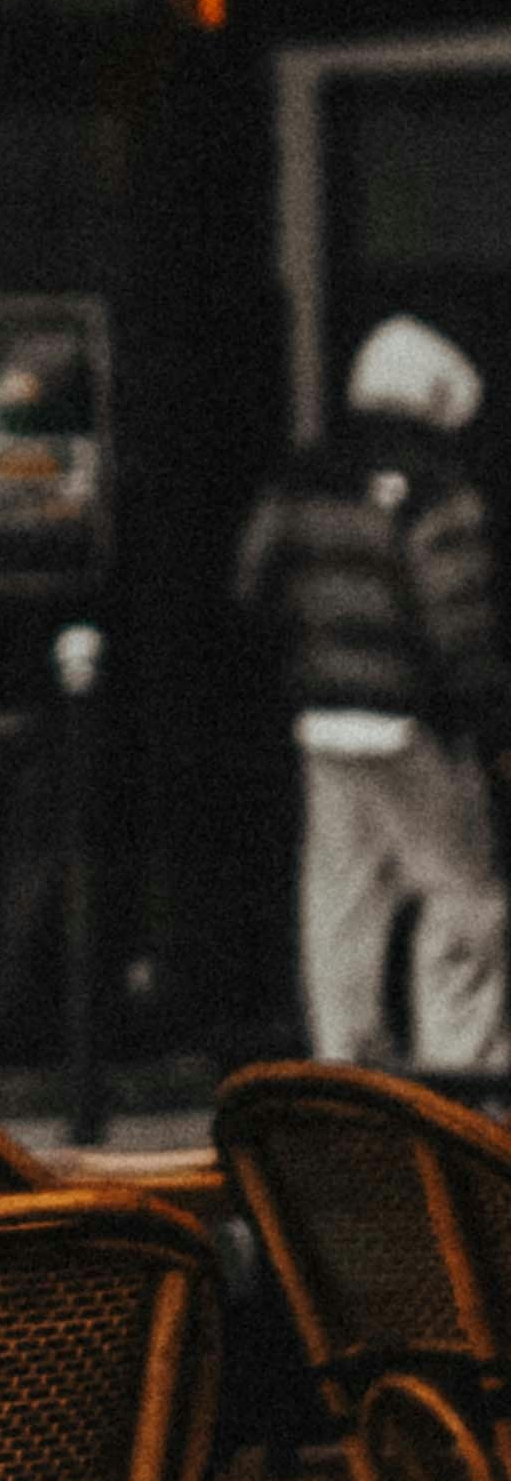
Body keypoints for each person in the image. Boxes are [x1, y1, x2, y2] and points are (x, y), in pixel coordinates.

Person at [240, 313, 511, 1081]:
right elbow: (457, 620)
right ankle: (463, 1065)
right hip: (410, 723)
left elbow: (252, 582)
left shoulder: (304, 476)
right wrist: (491, 722)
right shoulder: (435, 490)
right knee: (464, 894)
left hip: (323, 719)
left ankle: (344, 1067)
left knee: (343, 897)